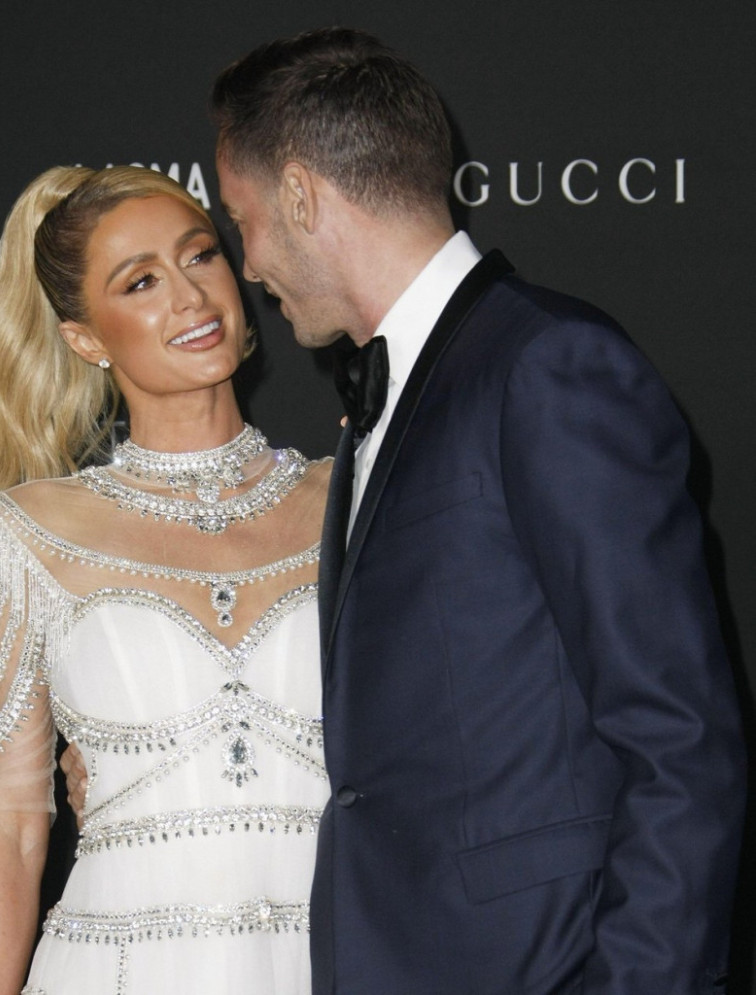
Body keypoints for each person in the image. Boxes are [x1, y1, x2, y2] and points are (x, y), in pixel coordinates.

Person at [207, 26, 745, 995]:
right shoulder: (384, 402)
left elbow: (678, 738)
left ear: (300, 195)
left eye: (242, 219)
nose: (247, 265)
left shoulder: (549, 365)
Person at [0, 164, 331, 994]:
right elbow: (12, 820)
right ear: (85, 338)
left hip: (332, 959)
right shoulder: (27, 532)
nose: (191, 297)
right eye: (141, 282)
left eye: (200, 256)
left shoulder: (353, 495)